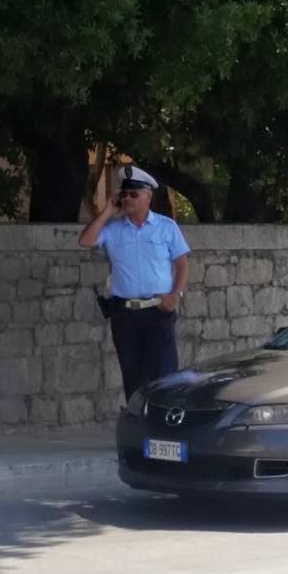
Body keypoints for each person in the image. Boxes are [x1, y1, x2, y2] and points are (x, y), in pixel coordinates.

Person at [79, 165, 190, 401]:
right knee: (133, 379)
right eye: (125, 194)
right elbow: (86, 240)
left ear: (148, 197)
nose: (128, 198)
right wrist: (108, 210)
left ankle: (164, 430)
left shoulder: (166, 227)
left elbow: (182, 263)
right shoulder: (113, 229)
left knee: (164, 376)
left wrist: (175, 295)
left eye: (134, 194)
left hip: (157, 311)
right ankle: (138, 430)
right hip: (125, 315)